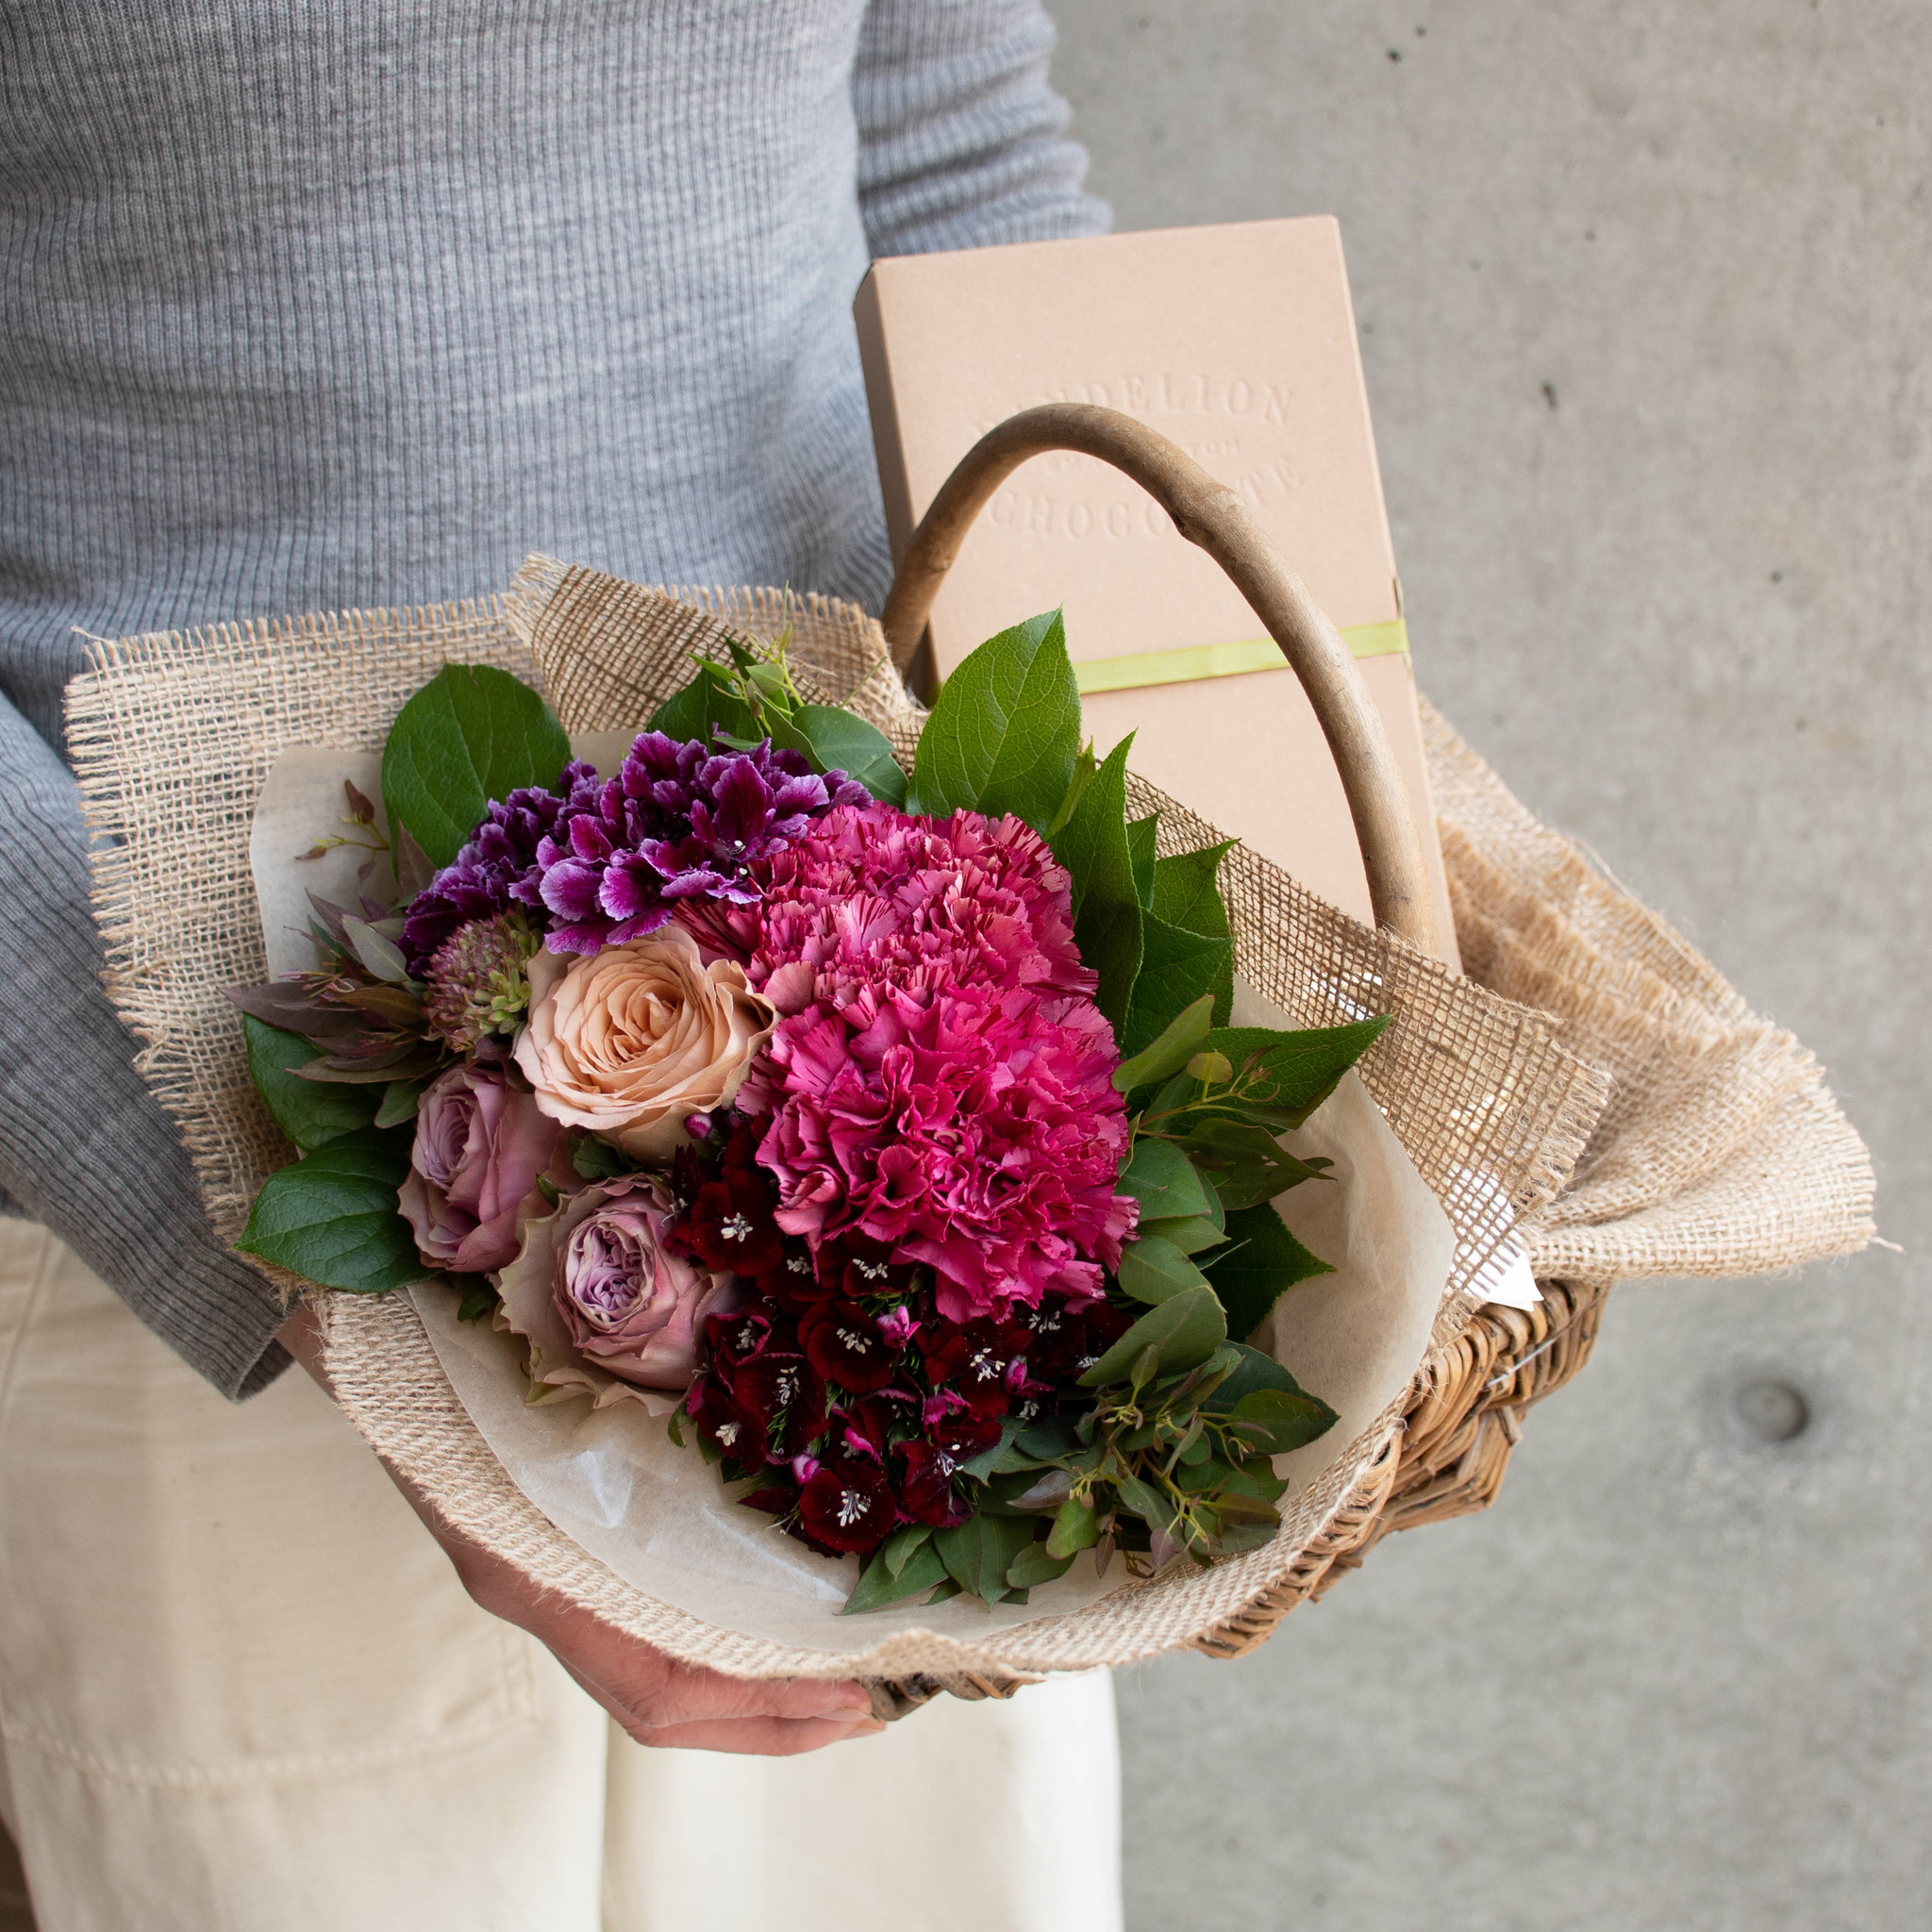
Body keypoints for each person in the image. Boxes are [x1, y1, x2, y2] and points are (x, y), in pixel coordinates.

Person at [0, 4, 1119, 1926]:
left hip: (879, 1186)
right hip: (173, 1192)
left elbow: (947, 144)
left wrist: (1138, 899)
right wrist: (276, 1254)